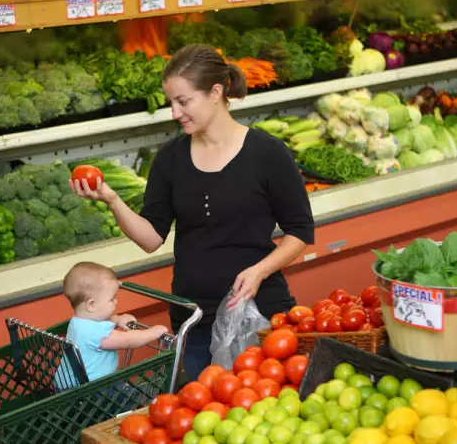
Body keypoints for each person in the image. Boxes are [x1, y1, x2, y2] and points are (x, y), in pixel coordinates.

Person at [70, 44, 314, 380]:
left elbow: (300, 231)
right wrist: (112, 199)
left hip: (259, 312)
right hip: (193, 315)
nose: (174, 112)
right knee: (200, 414)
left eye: (183, 101)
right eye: (171, 102)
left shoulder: (268, 153)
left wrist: (259, 271)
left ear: (216, 93)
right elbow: (151, 238)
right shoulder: (170, 159)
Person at [54, 262, 168, 390]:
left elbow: (100, 321)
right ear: (91, 305)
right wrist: (154, 332)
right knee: (128, 397)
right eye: (112, 299)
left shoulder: (78, 322)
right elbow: (128, 341)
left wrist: (118, 319)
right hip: (90, 392)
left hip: (67, 386)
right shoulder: (97, 334)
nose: (116, 301)